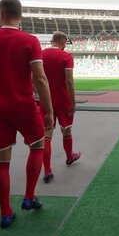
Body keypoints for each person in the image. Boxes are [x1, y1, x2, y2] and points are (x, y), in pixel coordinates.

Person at [0, 0, 54, 229]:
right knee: (37, 145)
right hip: (23, 105)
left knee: (1, 161)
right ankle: (29, 196)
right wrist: (48, 109)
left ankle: (5, 212)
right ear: (20, 16)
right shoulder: (30, 40)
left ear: (1, 13)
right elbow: (39, 78)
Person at [40, 31, 81, 184]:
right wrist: (73, 102)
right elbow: (69, 81)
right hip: (63, 99)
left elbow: (34, 78)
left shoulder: (41, 54)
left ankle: (47, 170)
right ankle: (70, 156)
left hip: (46, 99)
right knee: (66, 130)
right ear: (63, 42)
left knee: (47, 134)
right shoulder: (66, 57)